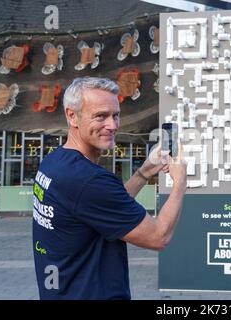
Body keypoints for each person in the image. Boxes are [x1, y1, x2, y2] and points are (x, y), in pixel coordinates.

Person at [32, 77, 187, 300]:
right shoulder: (88, 181)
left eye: (115, 115)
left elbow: (104, 208)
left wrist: (145, 171)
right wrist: (180, 181)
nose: (113, 125)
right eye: (100, 116)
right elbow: (159, 236)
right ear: (72, 116)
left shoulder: (54, 163)